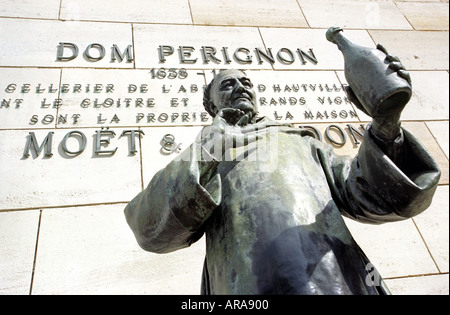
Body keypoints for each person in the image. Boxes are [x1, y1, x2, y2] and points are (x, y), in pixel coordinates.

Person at [124, 66, 440, 294]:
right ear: (211, 106)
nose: (240, 87)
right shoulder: (205, 154)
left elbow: (370, 193)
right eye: (227, 84)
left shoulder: (302, 142)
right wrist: (212, 144)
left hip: (332, 278)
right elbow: (150, 231)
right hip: (248, 284)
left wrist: (386, 128)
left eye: (246, 81)